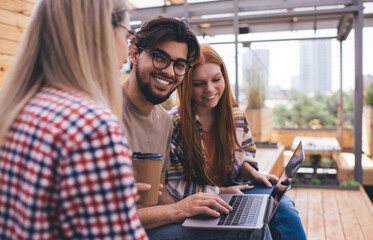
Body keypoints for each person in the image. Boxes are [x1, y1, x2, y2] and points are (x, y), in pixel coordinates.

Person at [0, 0, 147, 239]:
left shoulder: (16, 110)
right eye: (127, 35)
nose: (126, 54)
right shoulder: (92, 127)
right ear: (99, 34)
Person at [121, 16, 271, 239]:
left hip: (153, 222)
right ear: (134, 54)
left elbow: (157, 198)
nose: (170, 71)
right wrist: (180, 209)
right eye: (159, 58)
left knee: (265, 214)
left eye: (179, 65)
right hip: (124, 231)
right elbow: (95, 214)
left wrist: (191, 207)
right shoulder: (102, 111)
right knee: (251, 231)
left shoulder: (162, 122)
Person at [166, 44, 307, 240]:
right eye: (199, 83)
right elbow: (173, 185)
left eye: (216, 79)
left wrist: (252, 173)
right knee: (258, 229)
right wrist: (221, 191)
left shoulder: (235, 116)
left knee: (285, 210)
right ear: (186, 85)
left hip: (236, 188)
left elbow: (243, 154)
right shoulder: (174, 124)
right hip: (201, 200)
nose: (210, 89)